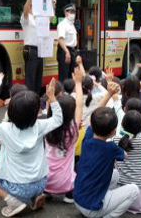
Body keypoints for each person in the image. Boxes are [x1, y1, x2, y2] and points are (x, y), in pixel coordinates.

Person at [0, 79, 63, 217]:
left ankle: (14, 203)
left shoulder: (4, 129)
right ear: (36, 114)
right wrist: (52, 97)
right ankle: (35, 196)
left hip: (18, 188)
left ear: (11, 112)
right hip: (41, 183)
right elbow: (58, 119)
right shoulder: (40, 126)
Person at [73, 107, 139, 218]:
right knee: (134, 190)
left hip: (78, 200)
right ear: (113, 132)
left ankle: (103, 200)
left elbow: (93, 119)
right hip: (92, 210)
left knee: (116, 174)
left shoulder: (87, 139)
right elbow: (125, 155)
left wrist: (109, 95)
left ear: (92, 126)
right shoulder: (111, 147)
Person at [44, 68, 84, 203]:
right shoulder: (73, 130)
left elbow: (51, 111)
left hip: (46, 181)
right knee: (78, 173)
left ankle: (47, 192)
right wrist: (78, 83)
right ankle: (69, 196)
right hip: (66, 183)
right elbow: (79, 105)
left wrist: (51, 96)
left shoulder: (47, 127)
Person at [21, 0, 56, 93]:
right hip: (31, 50)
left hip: (41, 50)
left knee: (38, 79)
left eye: (33, 5)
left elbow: (50, 19)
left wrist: (52, 5)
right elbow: (25, 11)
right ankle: (28, 101)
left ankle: (35, 100)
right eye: (31, 5)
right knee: (30, 79)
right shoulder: (26, 18)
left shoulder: (40, 18)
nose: (32, 7)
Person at [57, 3, 78, 83]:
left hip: (72, 51)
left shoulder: (71, 24)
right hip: (65, 51)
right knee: (64, 76)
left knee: (72, 75)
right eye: (71, 12)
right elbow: (60, 39)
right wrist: (67, 52)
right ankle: (63, 94)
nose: (73, 14)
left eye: (74, 12)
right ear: (66, 12)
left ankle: (70, 93)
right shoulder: (62, 24)